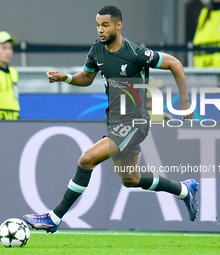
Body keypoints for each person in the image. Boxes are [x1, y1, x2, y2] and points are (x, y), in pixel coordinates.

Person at [23, 5, 199, 233]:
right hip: (115, 121)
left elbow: (175, 63)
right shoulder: (97, 50)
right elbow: (86, 78)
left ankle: (54, 217)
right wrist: (65, 78)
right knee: (131, 179)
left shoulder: (135, 53)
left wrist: (184, 102)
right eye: (97, 25)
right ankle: (184, 190)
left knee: (87, 159)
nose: (100, 30)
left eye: (105, 25)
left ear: (119, 25)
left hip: (135, 122)